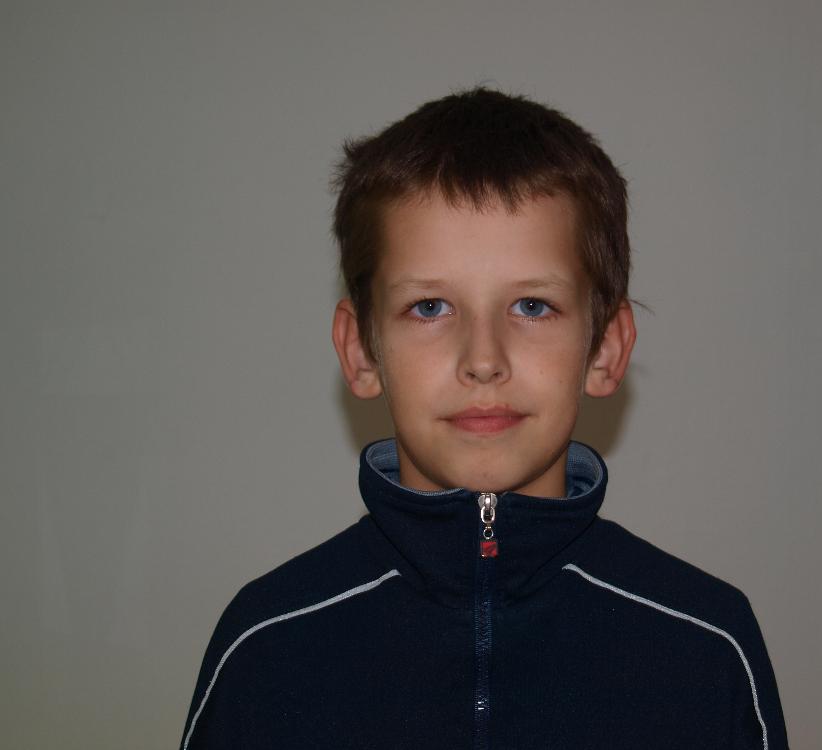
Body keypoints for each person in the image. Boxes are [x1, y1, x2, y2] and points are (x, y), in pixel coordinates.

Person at [179, 88, 788, 749]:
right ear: (360, 351)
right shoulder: (265, 651)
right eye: (430, 307)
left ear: (605, 350)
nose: (483, 360)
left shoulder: (707, 650)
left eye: (531, 306)